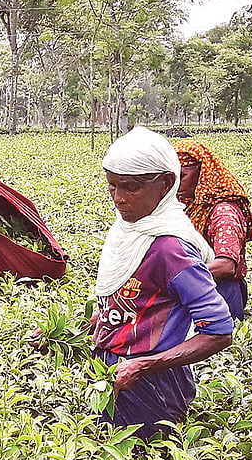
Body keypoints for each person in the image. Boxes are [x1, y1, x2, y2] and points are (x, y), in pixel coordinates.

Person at [77, 127, 234, 439]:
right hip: (114, 373)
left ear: (164, 185)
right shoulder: (127, 230)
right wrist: (74, 327)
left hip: (150, 384)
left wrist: (144, 365)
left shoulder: (170, 249)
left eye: (131, 188)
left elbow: (219, 331)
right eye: (112, 187)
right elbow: (128, 300)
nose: (119, 199)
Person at [174, 141, 252, 320]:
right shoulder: (189, 205)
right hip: (194, 287)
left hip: (221, 291)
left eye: (183, 176)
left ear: (202, 173)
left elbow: (226, 266)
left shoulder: (223, 212)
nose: (176, 184)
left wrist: (175, 279)